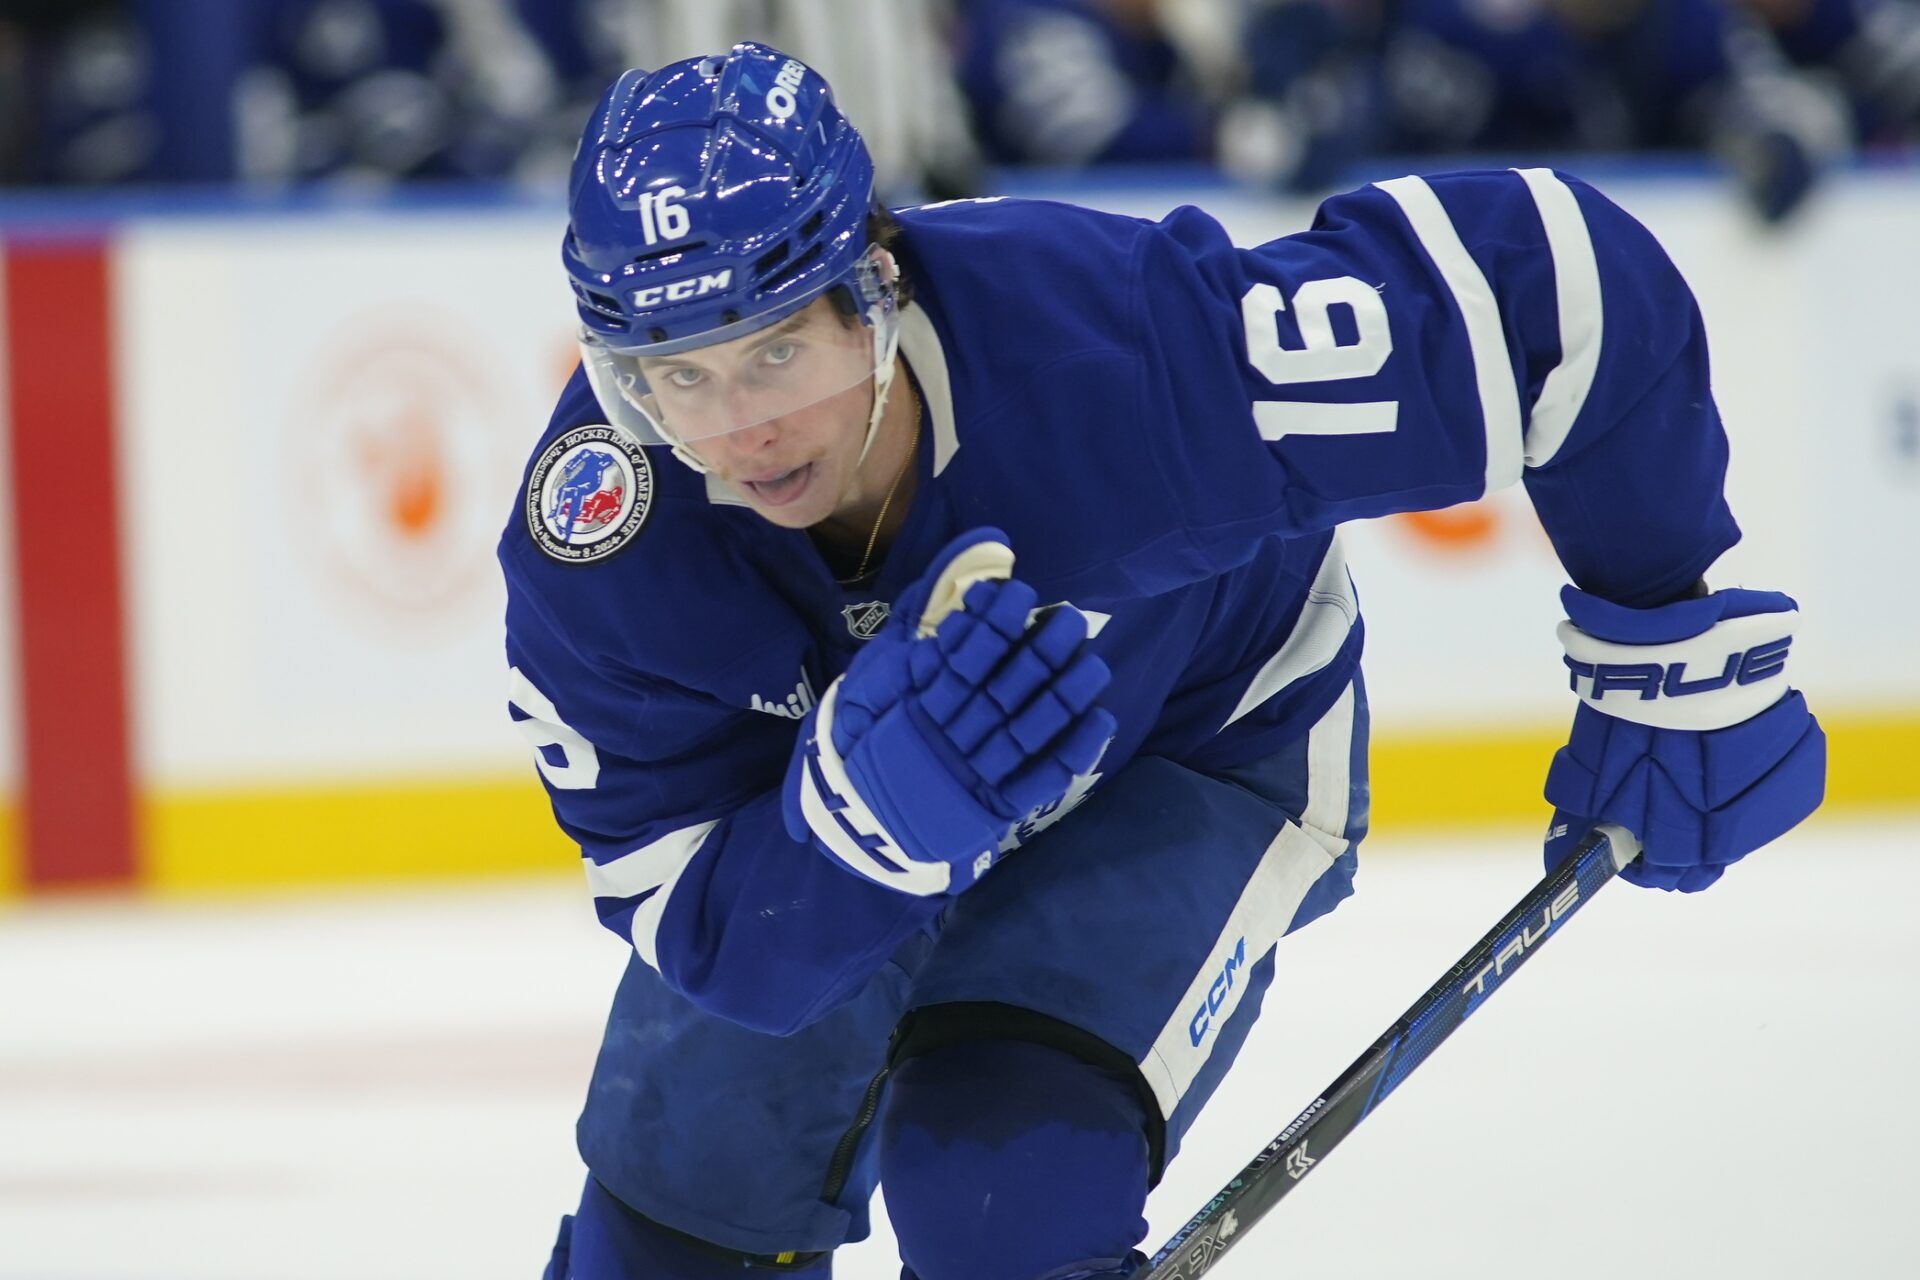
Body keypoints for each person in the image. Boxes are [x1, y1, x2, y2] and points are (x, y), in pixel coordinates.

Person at [499, 42, 1825, 1280]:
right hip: (813, 822)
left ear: (875, 289)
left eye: (779, 350)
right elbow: (712, 934)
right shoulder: (605, 541)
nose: (741, 431)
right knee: (670, 1223)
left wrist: (1663, 626)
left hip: (1193, 738)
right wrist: (863, 832)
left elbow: (1554, 286)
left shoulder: (1124, 354)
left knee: (999, 1194)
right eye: (676, 376)